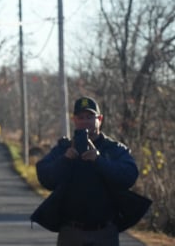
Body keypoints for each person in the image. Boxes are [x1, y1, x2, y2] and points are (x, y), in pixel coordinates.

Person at [31, 96, 151, 246]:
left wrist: (99, 160)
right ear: (74, 120)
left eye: (90, 117)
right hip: (71, 232)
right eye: (81, 117)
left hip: (104, 232)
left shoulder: (113, 149)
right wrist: (65, 159)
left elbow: (129, 176)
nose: (85, 121)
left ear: (99, 119)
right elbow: (45, 178)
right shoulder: (64, 148)